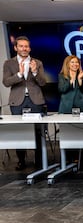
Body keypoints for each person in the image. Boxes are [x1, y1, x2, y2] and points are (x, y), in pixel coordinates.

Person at [2, 36, 46, 171]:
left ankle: (39, 161)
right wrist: (19, 74)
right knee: (19, 131)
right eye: (21, 46)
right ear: (16, 48)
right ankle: (21, 161)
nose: (24, 48)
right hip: (17, 101)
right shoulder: (9, 63)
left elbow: (43, 82)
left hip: (35, 100)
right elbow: (6, 82)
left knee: (39, 131)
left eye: (26, 46)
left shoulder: (37, 62)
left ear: (30, 48)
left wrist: (34, 72)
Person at [58, 55, 83, 167]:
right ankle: (69, 158)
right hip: (67, 108)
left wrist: (80, 80)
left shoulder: (82, 75)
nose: (75, 65)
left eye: (77, 63)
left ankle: (82, 158)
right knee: (68, 132)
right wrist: (72, 80)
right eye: (72, 62)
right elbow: (62, 89)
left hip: (82, 107)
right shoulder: (62, 76)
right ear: (67, 64)